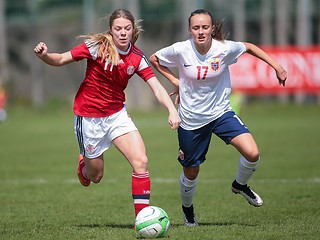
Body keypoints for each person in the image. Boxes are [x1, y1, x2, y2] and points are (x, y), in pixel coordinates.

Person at [34, 9, 181, 220]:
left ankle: (142, 219)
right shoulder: (97, 48)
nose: (123, 33)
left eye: (127, 28)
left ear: (133, 30)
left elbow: (156, 87)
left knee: (141, 161)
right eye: (118, 29)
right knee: (96, 176)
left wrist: (171, 110)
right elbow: (60, 59)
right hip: (89, 118)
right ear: (111, 31)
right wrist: (44, 55)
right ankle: (84, 165)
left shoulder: (136, 57)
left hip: (117, 115)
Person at [150, 9, 287, 226]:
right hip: (191, 119)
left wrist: (277, 67)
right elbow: (154, 58)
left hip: (221, 113)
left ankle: (240, 185)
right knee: (191, 171)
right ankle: (188, 210)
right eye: (196, 28)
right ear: (190, 30)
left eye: (205, 27)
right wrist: (176, 81)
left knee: (252, 153)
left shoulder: (224, 48)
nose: (201, 32)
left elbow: (250, 47)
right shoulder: (181, 49)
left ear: (212, 29)